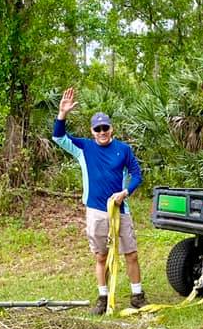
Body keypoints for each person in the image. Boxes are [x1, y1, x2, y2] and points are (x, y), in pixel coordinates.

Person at [52, 87, 147, 314]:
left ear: (111, 128)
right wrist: (62, 114)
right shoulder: (84, 148)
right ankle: (103, 298)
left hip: (120, 209)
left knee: (131, 254)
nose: (102, 132)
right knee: (101, 256)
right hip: (96, 210)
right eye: (98, 129)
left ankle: (137, 295)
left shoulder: (123, 150)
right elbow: (58, 137)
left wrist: (125, 192)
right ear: (92, 131)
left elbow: (138, 174)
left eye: (105, 127)